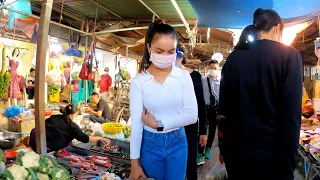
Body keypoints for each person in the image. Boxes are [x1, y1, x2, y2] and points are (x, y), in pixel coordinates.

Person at [218, 8, 302, 180]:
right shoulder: (289, 56)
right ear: (278, 28)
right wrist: (289, 162)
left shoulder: (234, 58)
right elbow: (291, 116)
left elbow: (223, 109)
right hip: (272, 156)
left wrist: (223, 147)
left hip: (237, 153)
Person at [130, 20, 198, 180]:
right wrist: (134, 164)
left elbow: (191, 115)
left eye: (171, 52)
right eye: (159, 51)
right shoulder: (139, 82)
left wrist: (158, 124)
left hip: (178, 141)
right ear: (149, 48)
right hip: (150, 144)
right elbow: (137, 125)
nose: (166, 57)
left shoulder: (183, 76)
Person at [174, 44, 207, 178]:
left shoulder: (194, 76)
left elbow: (201, 103)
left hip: (190, 128)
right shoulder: (166, 76)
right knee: (174, 165)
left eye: (174, 55)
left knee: (190, 164)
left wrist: (203, 131)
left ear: (181, 56)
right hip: (171, 127)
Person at [30, 104, 110, 151]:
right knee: (70, 143)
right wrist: (100, 138)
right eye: (75, 115)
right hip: (56, 149)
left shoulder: (53, 117)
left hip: (44, 145)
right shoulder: (72, 126)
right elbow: (86, 139)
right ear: (71, 115)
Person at [200, 59, 221, 163]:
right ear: (208, 67)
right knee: (202, 130)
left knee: (212, 130)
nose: (213, 70)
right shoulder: (203, 80)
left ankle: (208, 149)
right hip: (204, 109)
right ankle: (200, 152)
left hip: (215, 109)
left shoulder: (221, 82)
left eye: (215, 68)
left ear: (218, 69)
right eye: (211, 68)